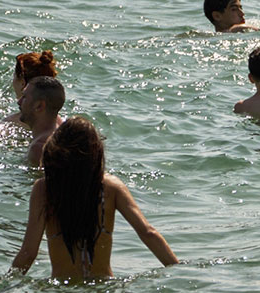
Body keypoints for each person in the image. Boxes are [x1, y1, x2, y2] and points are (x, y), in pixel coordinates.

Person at [11, 118, 179, 277]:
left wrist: (6, 287)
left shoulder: (44, 189)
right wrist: (180, 273)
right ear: (96, 151)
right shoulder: (112, 187)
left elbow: (28, 253)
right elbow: (148, 233)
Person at [17, 75, 66, 166]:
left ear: (39, 106)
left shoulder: (39, 148)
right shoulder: (59, 130)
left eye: (24, 97)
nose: (19, 101)